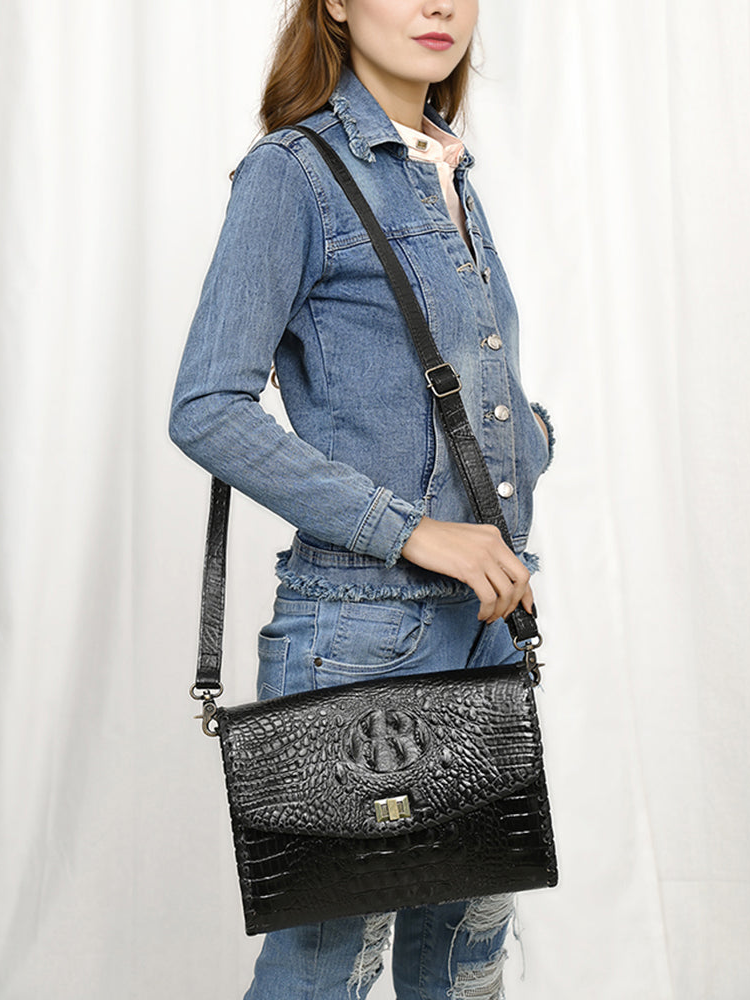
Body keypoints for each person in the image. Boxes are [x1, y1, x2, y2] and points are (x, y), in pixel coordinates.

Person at [170, 1, 554, 997]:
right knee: (326, 967)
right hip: (361, 635)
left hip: (485, 624)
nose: (440, 5)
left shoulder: (444, 167)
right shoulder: (292, 174)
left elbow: (450, 385)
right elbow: (208, 408)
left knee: (464, 960)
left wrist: (531, 438)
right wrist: (414, 529)